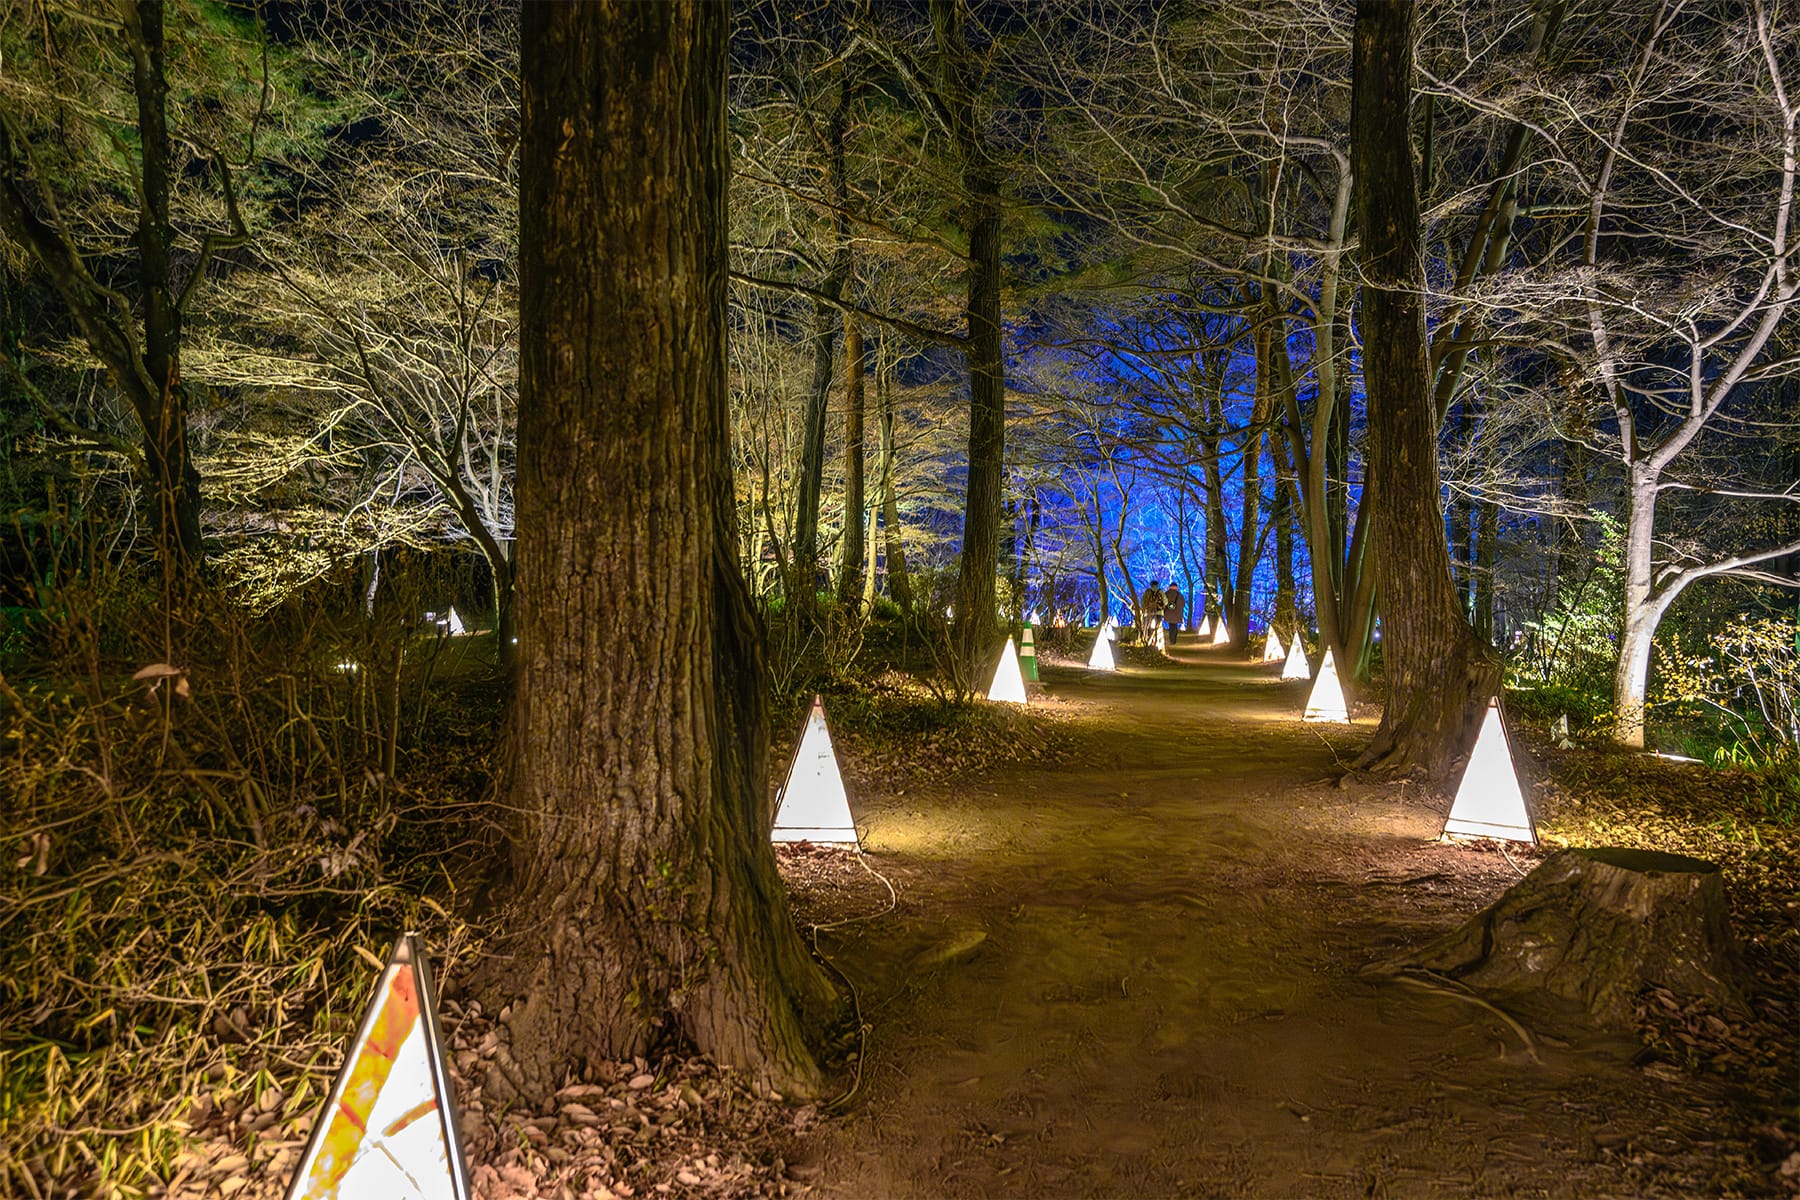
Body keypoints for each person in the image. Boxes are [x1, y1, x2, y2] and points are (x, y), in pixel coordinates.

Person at [1140, 580, 1166, 646]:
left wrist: (1144, 609)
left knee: (1147, 628)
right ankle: (1157, 642)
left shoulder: (1147, 592)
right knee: (1157, 628)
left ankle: (1148, 641)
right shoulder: (1160, 592)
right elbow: (1165, 602)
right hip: (1159, 613)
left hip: (1148, 613)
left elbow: (1142, 601)